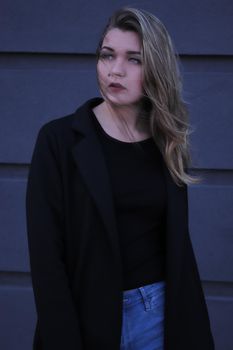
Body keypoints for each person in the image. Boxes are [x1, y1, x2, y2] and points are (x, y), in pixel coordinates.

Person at [26, 7, 215, 350]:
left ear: (155, 68)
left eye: (134, 60)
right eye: (107, 55)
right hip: (89, 317)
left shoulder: (166, 140)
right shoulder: (59, 140)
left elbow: (176, 248)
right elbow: (45, 257)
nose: (115, 70)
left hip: (159, 315)